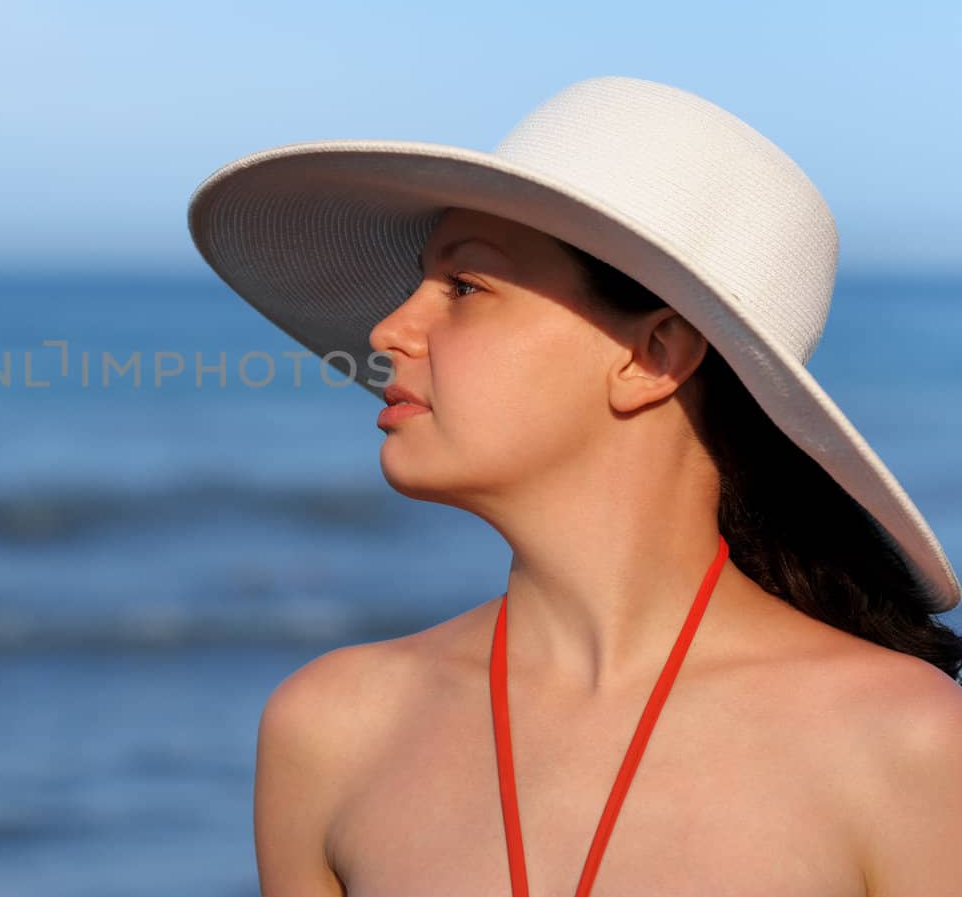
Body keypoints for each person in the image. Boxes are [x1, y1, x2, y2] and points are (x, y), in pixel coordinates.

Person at [186, 77, 962, 896]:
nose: (388, 329)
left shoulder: (904, 745)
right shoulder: (331, 732)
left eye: (466, 286)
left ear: (650, 355)